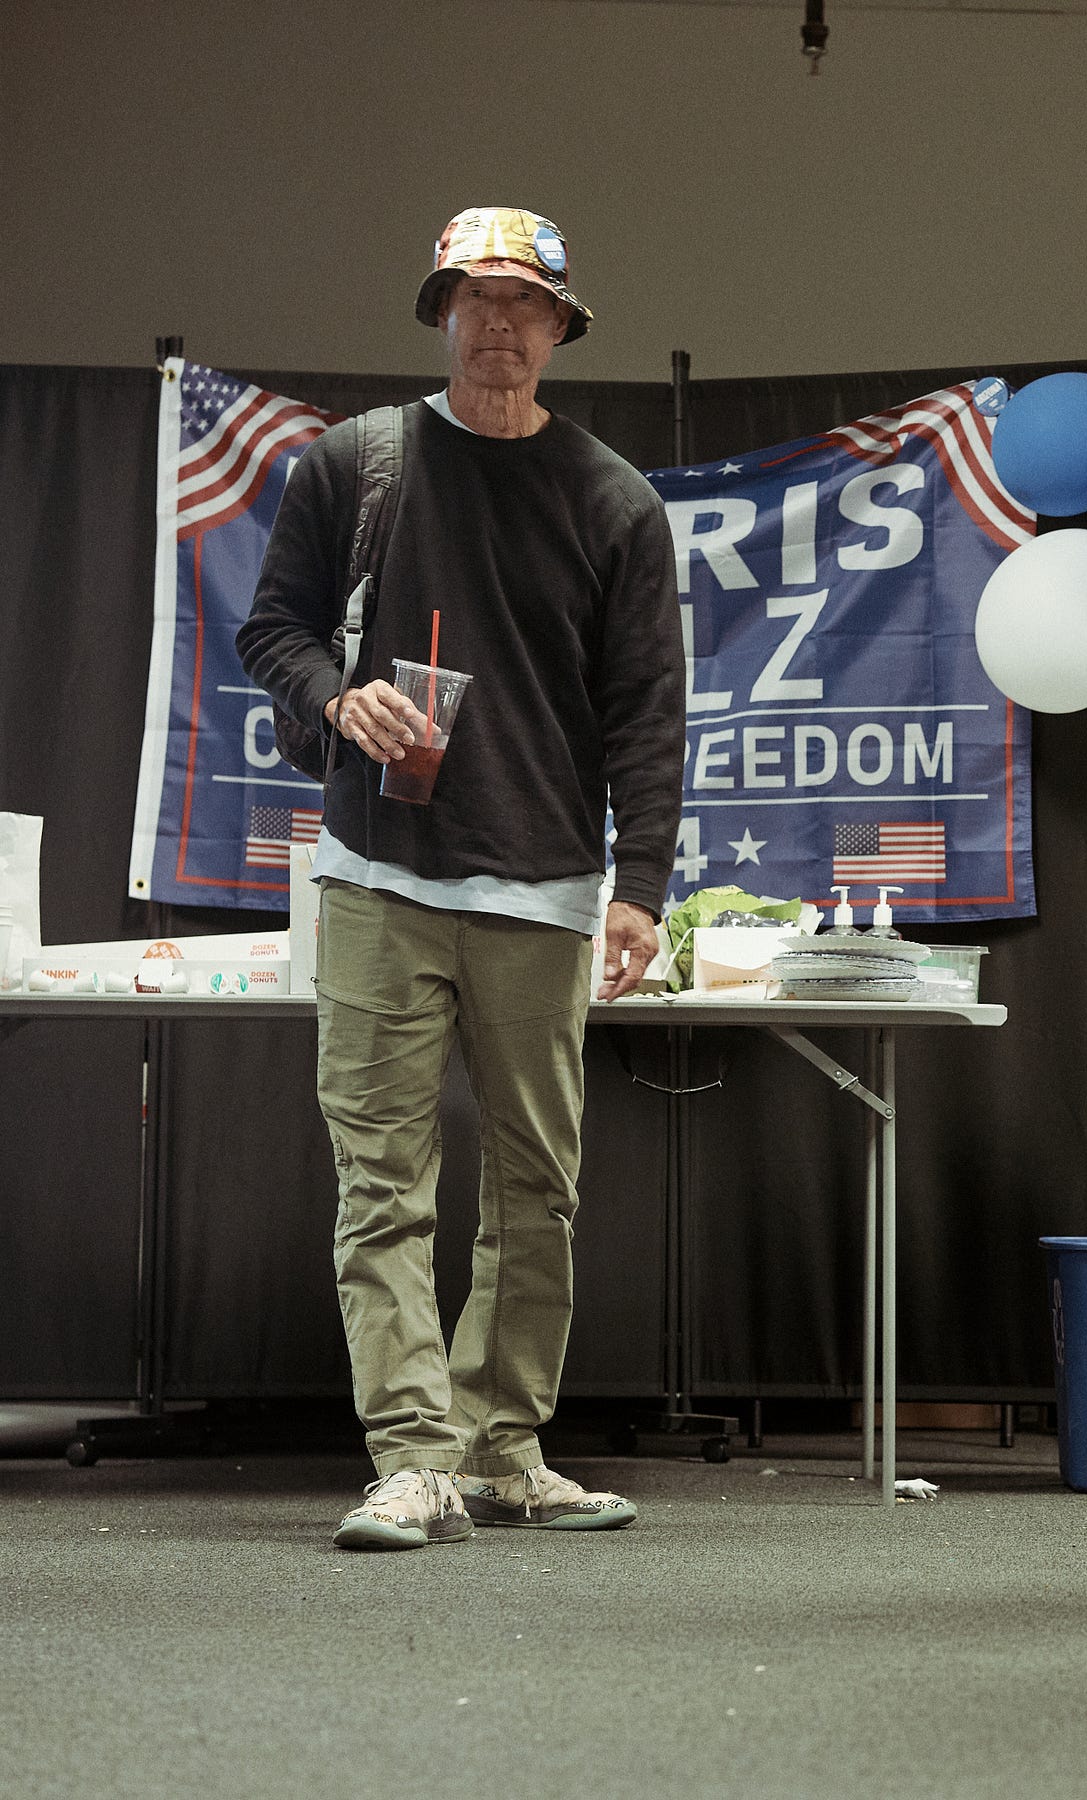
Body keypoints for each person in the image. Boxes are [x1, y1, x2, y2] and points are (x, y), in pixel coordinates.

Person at [238, 207, 685, 1551]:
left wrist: (641, 886)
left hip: (544, 887)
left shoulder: (615, 501)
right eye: (475, 299)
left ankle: (504, 1447)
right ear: (441, 310)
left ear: (560, 326)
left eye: (525, 304)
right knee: (383, 1181)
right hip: (378, 873)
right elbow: (273, 628)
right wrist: (335, 702)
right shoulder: (354, 466)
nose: (500, 324)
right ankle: (413, 1458)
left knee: (537, 1186)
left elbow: (647, 713)